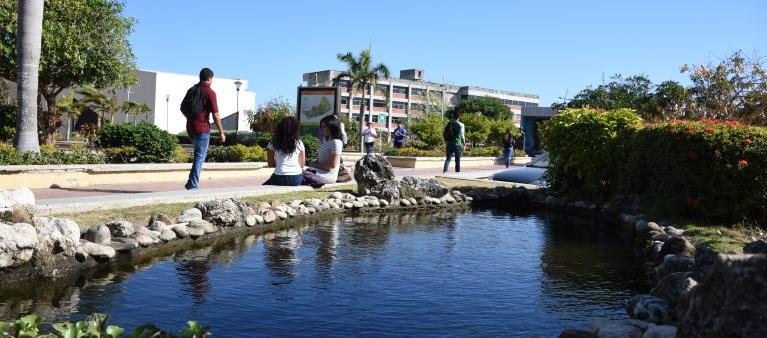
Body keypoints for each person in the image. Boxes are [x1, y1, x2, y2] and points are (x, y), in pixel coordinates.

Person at [185, 68, 225, 190]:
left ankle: (190, 182)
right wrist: (221, 133)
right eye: (212, 79)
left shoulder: (192, 90)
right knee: (199, 157)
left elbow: (183, 107)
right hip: (202, 128)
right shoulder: (210, 93)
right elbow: (216, 115)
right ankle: (192, 185)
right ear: (209, 78)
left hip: (190, 128)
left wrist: (191, 119)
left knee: (197, 156)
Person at [264, 117, 305, 186]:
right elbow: (302, 165)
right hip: (296, 178)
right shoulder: (299, 143)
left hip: (279, 178)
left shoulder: (273, 143)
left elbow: (270, 164)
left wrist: (280, 165)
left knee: (268, 182)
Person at [305, 115, 344, 184]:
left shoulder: (336, 142)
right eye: (322, 126)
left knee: (300, 170)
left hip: (328, 175)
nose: (323, 129)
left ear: (333, 127)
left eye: (326, 126)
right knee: (300, 167)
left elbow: (332, 165)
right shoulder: (326, 140)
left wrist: (314, 165)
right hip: (319, 170)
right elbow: (322, 160)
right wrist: (310, 162)